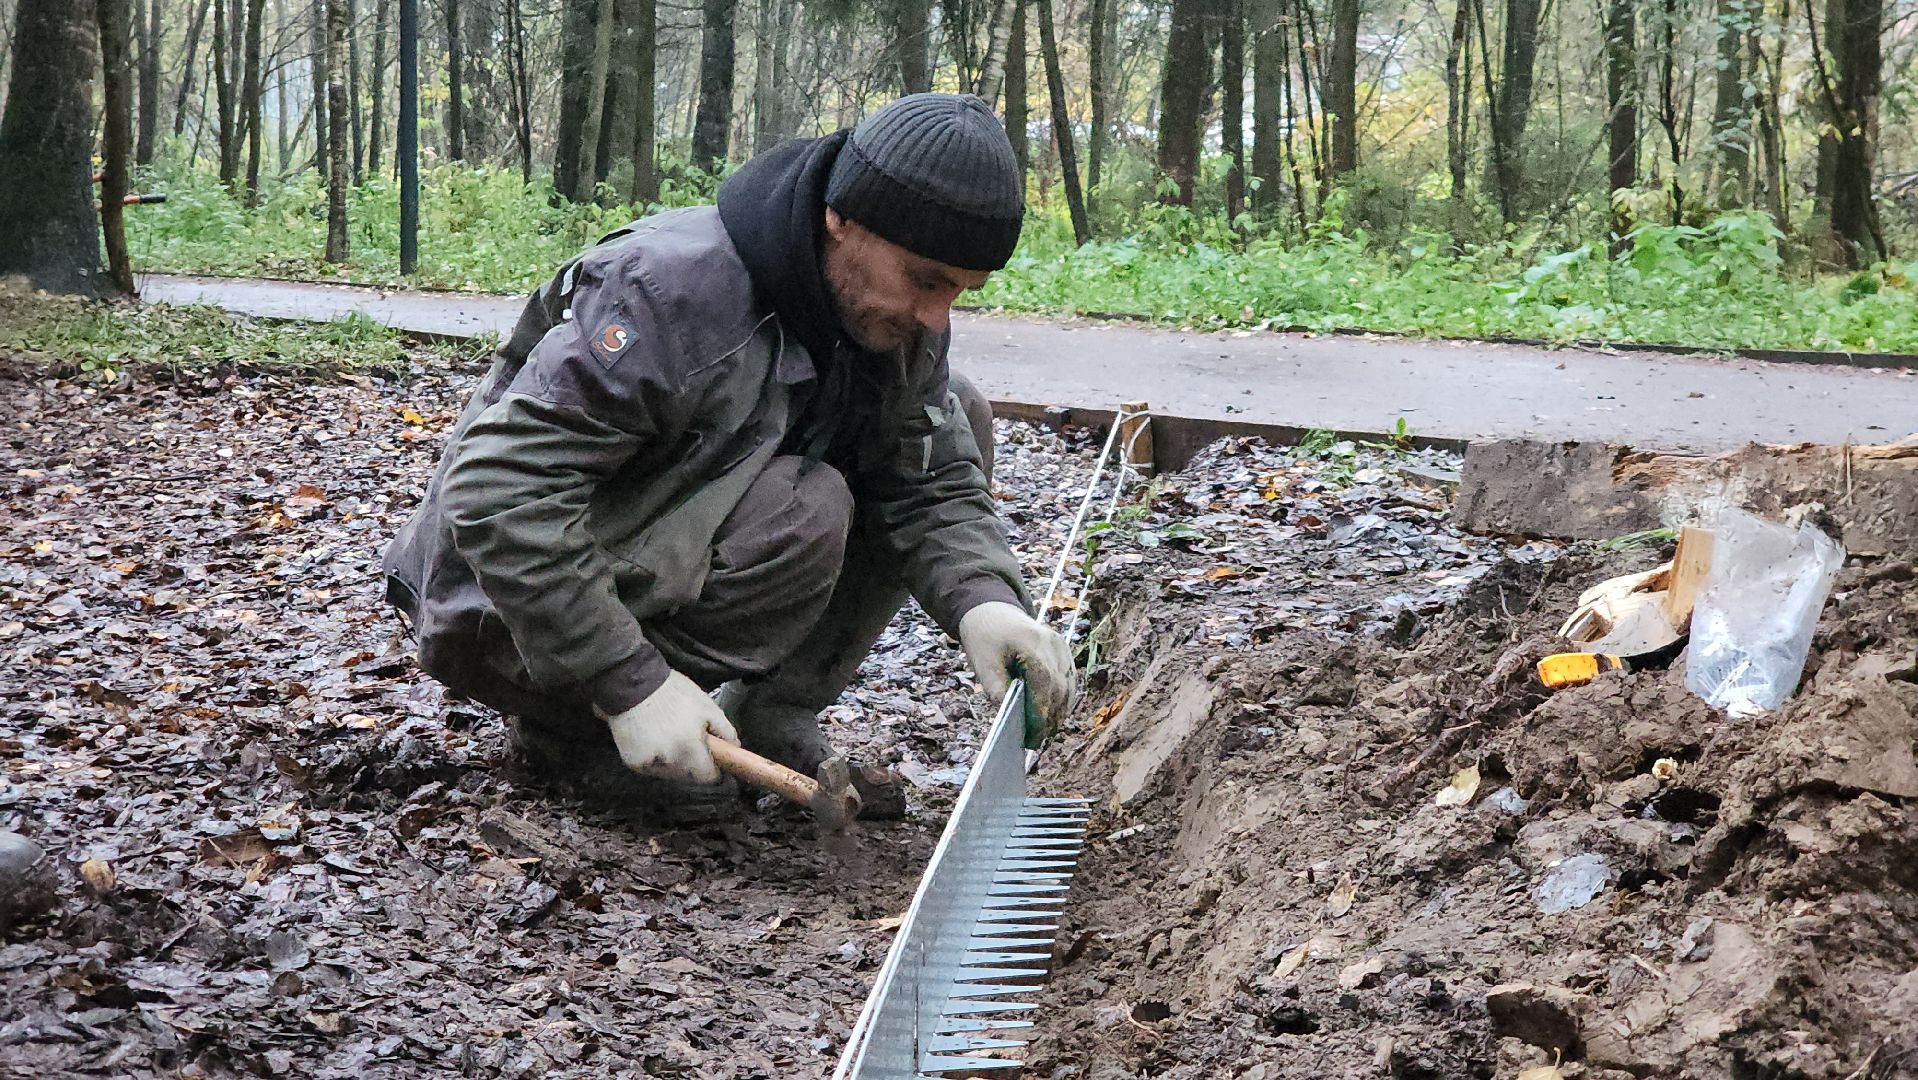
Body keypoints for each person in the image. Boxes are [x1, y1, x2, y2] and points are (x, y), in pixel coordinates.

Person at [382, 93, 1074, 820]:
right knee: (805, 507)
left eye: (961, 291)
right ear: (841, 217)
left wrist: (985, 601)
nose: (937, 315)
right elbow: (498, 489)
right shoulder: (668, 291)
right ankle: (571, 730)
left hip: (627, 556)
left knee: (958, 410)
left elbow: (929, 480)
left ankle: (771, 713)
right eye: (926, 280)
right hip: (494, 604)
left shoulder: (897, 319)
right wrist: (628, 681)